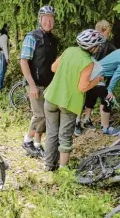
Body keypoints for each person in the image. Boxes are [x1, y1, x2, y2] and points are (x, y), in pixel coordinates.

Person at [43, 29, 106, 171]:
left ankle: (49, 165)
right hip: (69, 102)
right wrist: (98, 79)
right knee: (65, 136)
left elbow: (53, 68)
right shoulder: (88, 62)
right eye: (98, 46)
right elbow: (83, 87)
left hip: (52, 97)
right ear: (92, 48)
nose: (99, 48)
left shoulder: (69, 50)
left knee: (52, 132)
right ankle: (63, 169)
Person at [74, 36, 120, 136]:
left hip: (92, 72)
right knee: (108, 99)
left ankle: (82, 121)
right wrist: (110, 89)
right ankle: (105, 128)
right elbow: (118, 73)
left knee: (90, 96)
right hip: (98, 76)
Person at [20, 6, 59, 158]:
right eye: (46, 19)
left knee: (46, 116)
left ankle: (37, 144)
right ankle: (27, 140)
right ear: (40, 19)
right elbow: (24, 62)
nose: (49, 22)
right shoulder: (32, 37)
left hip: (48, 84)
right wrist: (31, 85)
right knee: (40, 115)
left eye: (51, 19)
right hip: (34, 84)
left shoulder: (53, 40)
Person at [0, 24, 10, 90]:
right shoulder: (4, 36)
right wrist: (7, 58)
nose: (8, 29)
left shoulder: (0, 35)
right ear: (4, 28)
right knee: (1, 71)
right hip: (2, 55)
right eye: (7, 27)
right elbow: (4, 48)